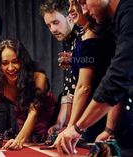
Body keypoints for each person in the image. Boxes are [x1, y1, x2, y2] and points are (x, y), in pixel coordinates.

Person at [54, 0, 133, 155]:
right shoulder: (92, 34)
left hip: (104, 117)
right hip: (97, 115)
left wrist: (74, 127)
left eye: (81, 2)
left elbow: (90, 86)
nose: (72, 9)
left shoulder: (123, 17)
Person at [0, 39, 57, 149]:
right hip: (25, 130)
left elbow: (34, 111)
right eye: (5, 63)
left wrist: (19, 140)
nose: (10, 68)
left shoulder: (39, 78)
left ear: (23, 61)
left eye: (15, 61)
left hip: (50, 125)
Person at [40, 0, 81, 135]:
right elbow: (70, 87)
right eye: (49, 25)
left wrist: (72, 125)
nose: (52, 29)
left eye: (55, 22)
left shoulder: (84, 35)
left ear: (70, 17)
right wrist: (60, 122)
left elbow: (85, 87)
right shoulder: (67, 40)